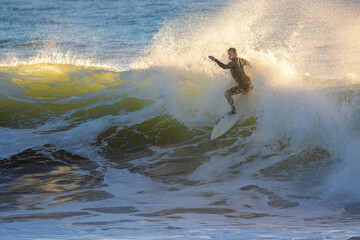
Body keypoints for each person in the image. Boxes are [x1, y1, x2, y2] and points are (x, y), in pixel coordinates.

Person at [209, 48, 252, 115]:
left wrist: (215, 60)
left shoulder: (233, 63)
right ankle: (247, 90)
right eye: (228, 54)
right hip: (248, 82)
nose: (229, 56)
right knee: (242, 85)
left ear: (235, 54)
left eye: (231, 54)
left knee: (227, 93)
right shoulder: (241, 60)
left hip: (243, 85)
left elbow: (224, 66)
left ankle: (233, 110)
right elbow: (249, 64)